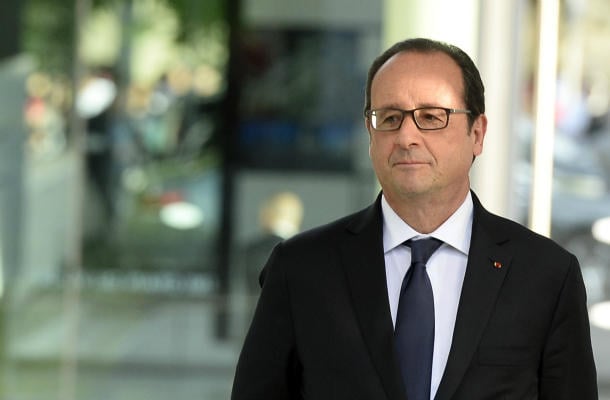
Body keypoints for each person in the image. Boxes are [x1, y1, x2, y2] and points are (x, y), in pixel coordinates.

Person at [231, 38, 598, 400]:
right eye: (390, 118)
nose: (406, 136)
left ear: (477, 133)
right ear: (370, 134)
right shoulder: (300, 269)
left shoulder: (547, 276)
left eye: (431, 117)